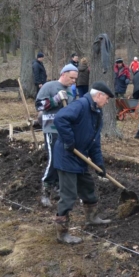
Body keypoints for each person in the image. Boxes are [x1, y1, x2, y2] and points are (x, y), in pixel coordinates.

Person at [52, 81, 115, 244]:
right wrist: (69, 141)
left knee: (87, 187)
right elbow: (60, 118)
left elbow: (95, 142)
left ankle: (92, 218)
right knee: (69, 195)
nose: (107, 102)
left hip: (80, 157)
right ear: (98, 95)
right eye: (106, 98)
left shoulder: (96, 112)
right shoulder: (81, 105)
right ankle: (62, 233)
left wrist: (99, 165)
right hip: (67, 156)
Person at [35, 64, 79, 207]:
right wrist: (55, 99)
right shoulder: (49, 86)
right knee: (54, 159)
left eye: (75, 79)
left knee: (64, 159)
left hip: (65, 131)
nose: (74, 81)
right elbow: (39, 106)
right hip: (51, 129)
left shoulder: (71, 91)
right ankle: (45, 191)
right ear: (63, 74)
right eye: (72, 78)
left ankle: (59, 188)